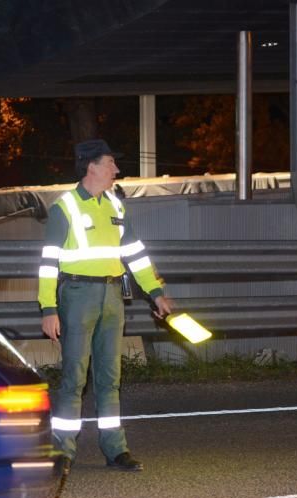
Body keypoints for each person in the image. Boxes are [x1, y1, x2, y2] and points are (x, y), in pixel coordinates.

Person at [38, 139, 172, 474]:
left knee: (111, 377)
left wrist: (155, 292)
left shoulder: (116, 205)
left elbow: (135, 255)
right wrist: (48, 309)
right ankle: (63, 452)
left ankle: (116, 449)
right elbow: (47, 263)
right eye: (111, 163)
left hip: (113, 297)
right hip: (77, 295)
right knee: (74, 377)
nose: (116, 170)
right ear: (91, 167)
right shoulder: (65, 207)